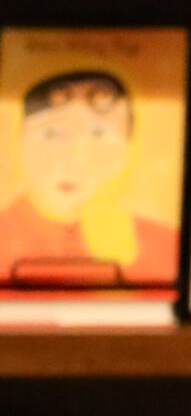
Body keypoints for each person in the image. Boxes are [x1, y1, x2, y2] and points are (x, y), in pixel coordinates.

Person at [0, 68, 176, 287]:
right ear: (19, 143)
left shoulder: (167, 248)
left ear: (127, 150)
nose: (76, 159)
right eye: (51, 134)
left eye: (98, 136)